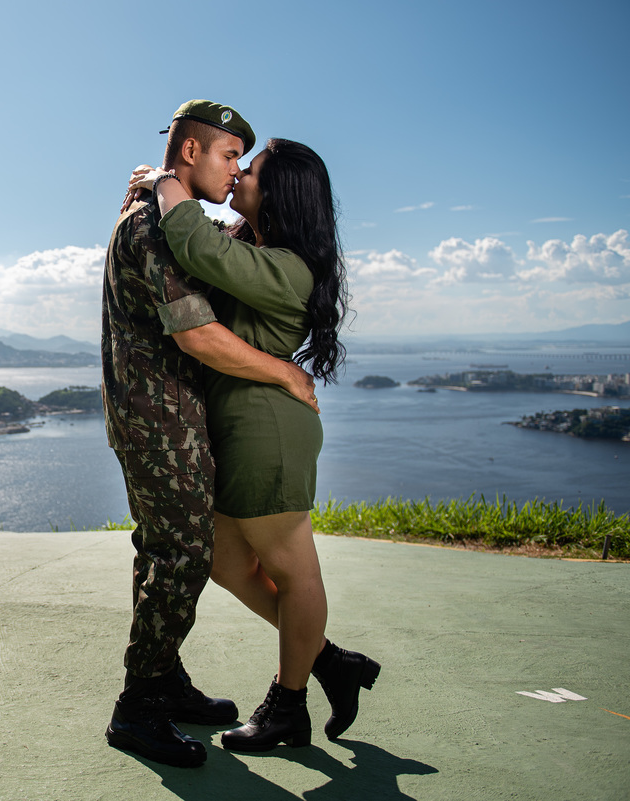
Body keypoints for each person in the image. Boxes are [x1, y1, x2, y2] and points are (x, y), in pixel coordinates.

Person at [136, 136, 381, 753]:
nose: (239, 172)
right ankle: (329, 662)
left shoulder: (289, 267)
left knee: (294, 574)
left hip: (266, 432)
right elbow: (205, 241)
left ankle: (288, 706)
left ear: (279, 195)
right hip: (241, 426)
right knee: (223, 562)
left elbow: (193, 239)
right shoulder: (258, 248)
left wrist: (167, 181)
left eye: (254, 170)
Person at [101, 100, 320, 769]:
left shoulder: (174, 217)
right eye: (230, 156)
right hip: (157, 417)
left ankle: (162, 678)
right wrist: (285, 373)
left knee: (166, 547)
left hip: (168, 414)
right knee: (182, 553)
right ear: (192, 153)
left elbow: (210, 237)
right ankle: (139, 705)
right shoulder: (157, 227)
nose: (235, 173)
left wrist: (158, 183)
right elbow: (195, 332)